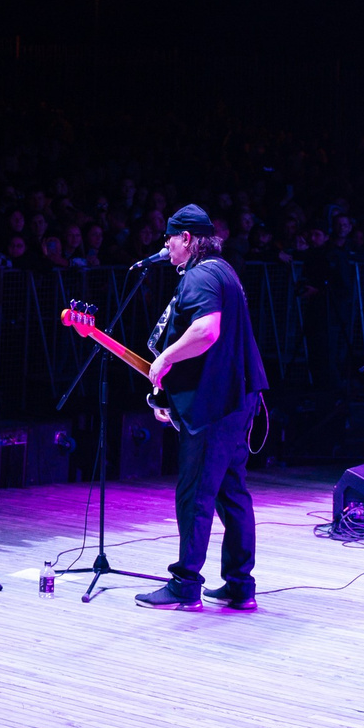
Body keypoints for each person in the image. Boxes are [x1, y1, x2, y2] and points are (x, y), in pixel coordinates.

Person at [136, 204, 269, 611]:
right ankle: (239, 586)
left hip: (215, 407)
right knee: (232, 493)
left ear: (187, 239)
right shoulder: (223, 270)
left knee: (195, 494)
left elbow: (206, 330)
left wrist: (165, 359)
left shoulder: (199, 275)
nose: (166, 245)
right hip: (238, 399)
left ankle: (185, 584)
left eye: (170, 238)